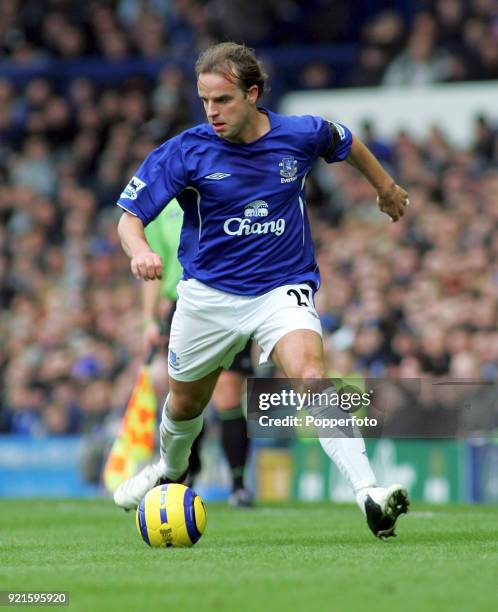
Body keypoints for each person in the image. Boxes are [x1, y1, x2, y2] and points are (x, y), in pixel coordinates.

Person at [114, 42, 410, 539]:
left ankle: (369, 495)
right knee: (186, 406)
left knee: (313, 376)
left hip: (281, 288)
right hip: (208, 295)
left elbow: (347, 141)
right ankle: (169, 469)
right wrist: (138, 251)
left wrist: (385, 186)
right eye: (205, 100)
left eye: (223, 100)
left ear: (253, 94)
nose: (212, 112)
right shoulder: (186, 151)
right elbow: (128, 218)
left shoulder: (300, 134)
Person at [142, 199, 253, 506]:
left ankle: (239, 485)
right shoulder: (161, 207)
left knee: (229, 395)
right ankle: (189, 474)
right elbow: (156, 263)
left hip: (231, 298)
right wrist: (149, 318)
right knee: (188, 397)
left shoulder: (219, 186)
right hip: (184, 304)